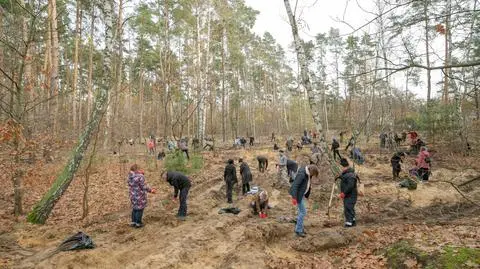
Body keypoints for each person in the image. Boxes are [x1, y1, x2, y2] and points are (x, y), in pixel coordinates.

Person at [289, 164, 319, 237]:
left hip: (301, 194)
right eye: (313, 174)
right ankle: (298, 230)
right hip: (298, 196)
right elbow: (295, 185)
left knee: (300, 212)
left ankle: (300, 228)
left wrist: (307, 195)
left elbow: (307, 184)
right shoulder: (302, 174)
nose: (313, 176)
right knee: (303, 212)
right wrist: (294, 197)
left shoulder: (308, 173)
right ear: (311, 171)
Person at [338, 158, 358, 228]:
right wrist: (339, 177)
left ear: (344, 167)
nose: (340, 168)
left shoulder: (350, 175)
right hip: (348, 195)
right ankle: (353, 221)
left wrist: (344, 193)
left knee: (348, 208)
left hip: (351, 195)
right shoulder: (348, 173)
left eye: (341, 167)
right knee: (350, 208)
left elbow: (350, 185)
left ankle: (349, 223)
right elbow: (344, 177)